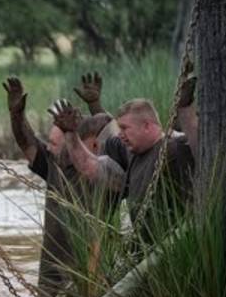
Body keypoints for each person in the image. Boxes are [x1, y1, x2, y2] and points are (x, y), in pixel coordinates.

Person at [3, 77, 114, 297]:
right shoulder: (53, 164)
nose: (50, 148)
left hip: (90, 271)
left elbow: (109, 137)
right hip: (51, 269)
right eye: (50, 143)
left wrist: (96, 106)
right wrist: (16, 115)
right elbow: (27, 142)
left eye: (55, 144)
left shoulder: (100, 170)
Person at [50, 75, 198, 237]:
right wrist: (70, 133)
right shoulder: (131, 152)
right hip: (142, 249)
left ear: (147, 126)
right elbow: (88, 166)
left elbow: (199, 147)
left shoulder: (175, 147)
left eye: (125, 128)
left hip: (173, 246)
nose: (120, 134)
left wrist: (185, 108)